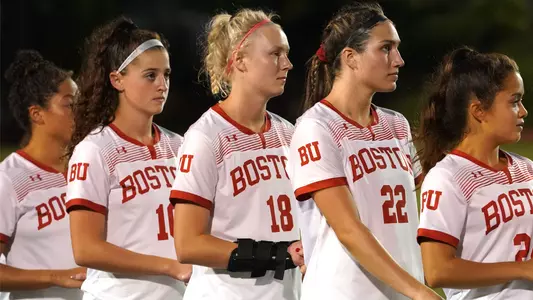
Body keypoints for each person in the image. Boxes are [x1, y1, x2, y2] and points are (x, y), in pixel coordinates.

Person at [288, 2, 442, 300]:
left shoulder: (396, 125)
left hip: (399, 291)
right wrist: (420, 292)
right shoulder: (316, 127)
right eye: (386, 48)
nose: (398, 60)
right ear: (351, 58)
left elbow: (409, 215)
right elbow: (348, 230)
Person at [170, 8, 303, 300]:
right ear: (240, 61)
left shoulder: (289, 134)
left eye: (287, 54)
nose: (288, 64)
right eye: (275, 54)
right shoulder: (205, 137)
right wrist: (275, 254)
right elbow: (188, 244)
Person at [65, 16, 190, 300]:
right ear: (117, 79)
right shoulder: (95, 150)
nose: (162, 85)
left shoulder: (181, 146)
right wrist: (168, 266)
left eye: (166, 75)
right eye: (150, 75)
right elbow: (85, 248)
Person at [416, 46, 533, 299]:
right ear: (479, 111)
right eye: (514, 101)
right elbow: (436, 270)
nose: (523, 111)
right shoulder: (448, 178)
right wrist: (521, 269)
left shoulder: (527, 169)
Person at [0, 50, 85, 299]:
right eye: (70, 104)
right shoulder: (10, 178)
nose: (80, 111)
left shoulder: (89, 168)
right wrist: (55, 276)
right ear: (37, 114)